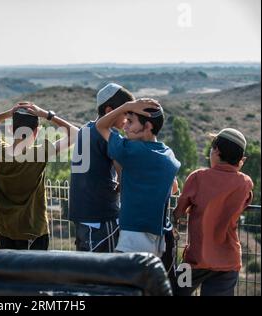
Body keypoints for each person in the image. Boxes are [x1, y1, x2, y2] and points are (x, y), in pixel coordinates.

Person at [0, 103, 79, 250]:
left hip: (5, 229)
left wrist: (7, 114)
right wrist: (47, 114)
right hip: (33, 231)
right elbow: (76, 134)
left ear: (10, 129)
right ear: (36, 132)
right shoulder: (39, 154)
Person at [96, 98, 180, 257]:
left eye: (130, 122)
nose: (125, 126)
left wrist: (126, 105)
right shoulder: (168, 153)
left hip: (133, 238)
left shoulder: (131, 150)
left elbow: (100, 125)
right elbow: (174, 187)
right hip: (158, 238)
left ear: (148, 126)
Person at [174, 128, 253, 296]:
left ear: (216, 151)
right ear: (241, 160)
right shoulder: (245, 183)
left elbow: (179, 211)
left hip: (193, 261)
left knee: (176, 290)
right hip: (228, 263)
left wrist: (178, 216)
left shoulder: (198, 177)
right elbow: (245, 201)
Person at [69, 83, 134, 252]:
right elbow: (124, 177)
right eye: (124, 113)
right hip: (101, 216)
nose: (126, 120)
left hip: (82, 213)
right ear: (109, 111)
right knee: (105, 272)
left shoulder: (85, 129)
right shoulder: (109, 136)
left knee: (87, 270)